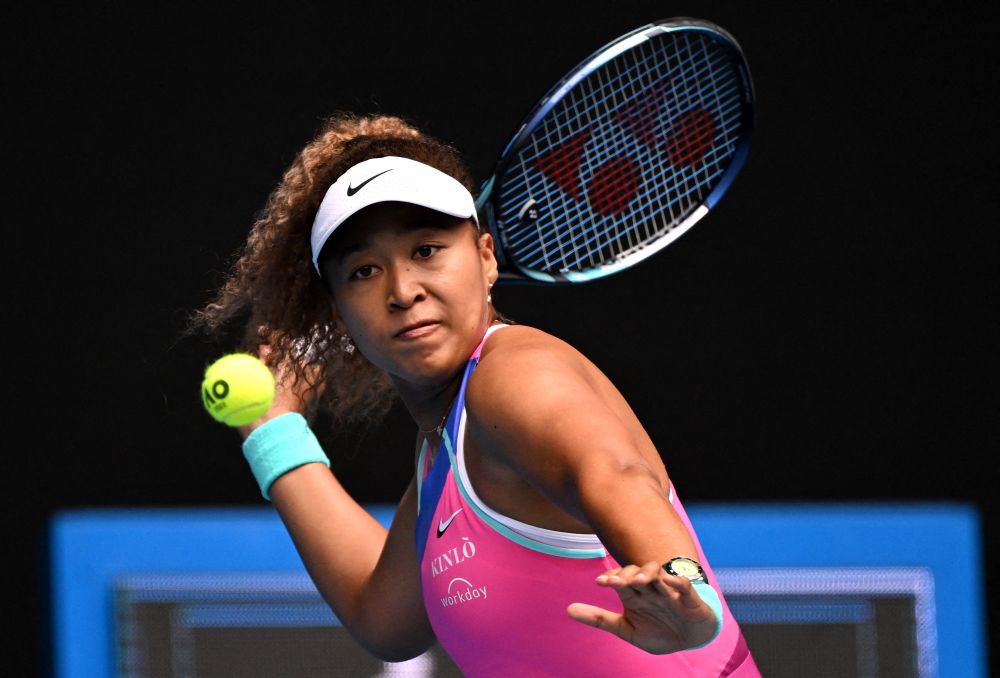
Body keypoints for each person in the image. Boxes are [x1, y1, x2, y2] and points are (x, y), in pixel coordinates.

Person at [188, 112, 760, 676]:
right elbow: (385, 619)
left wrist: (685, 585)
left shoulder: (516, 373)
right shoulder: (446, 442)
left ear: (485, 257)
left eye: (427, 249)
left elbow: (618, 473)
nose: (404, 290)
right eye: (363, 271)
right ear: (338, 315)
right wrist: (276, 432)